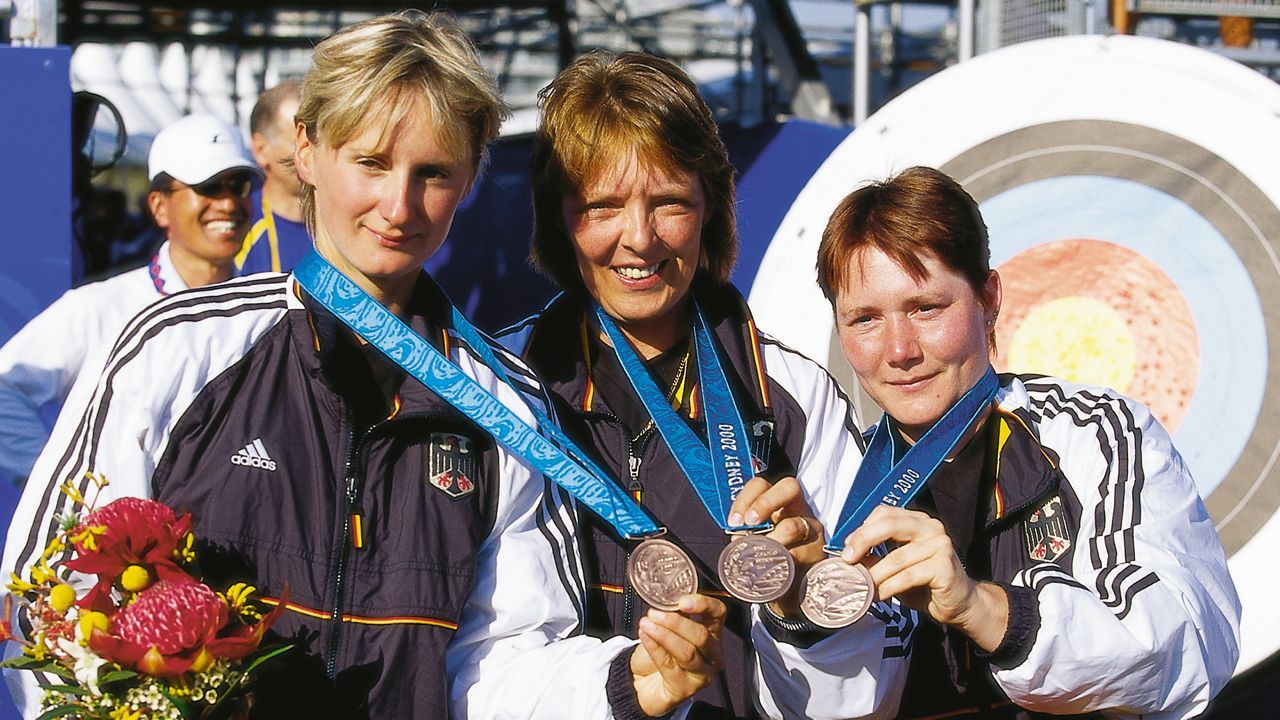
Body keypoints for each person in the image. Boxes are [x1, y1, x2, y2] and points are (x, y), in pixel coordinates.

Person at [4, 13, 725, 719]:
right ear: (308, 152)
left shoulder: (507, 404)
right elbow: (46, 594)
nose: (398, 205)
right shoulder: (176, 349)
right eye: (372, 162)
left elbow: (500, 658)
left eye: (434, 172)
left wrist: (629, 683)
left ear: (472, 177)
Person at [499, 51, 909, 719]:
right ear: (560, 218)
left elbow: (870, 696)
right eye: (603, 205)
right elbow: (477, 659)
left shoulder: (789, 396)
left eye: (669, 202)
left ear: (710, 207)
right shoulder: (504, 387)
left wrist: (805, 606)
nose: (640, 238)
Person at [816, 166, 1241, 719]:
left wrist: (985, 611)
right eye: (865, 319)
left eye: (926, 308)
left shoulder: (1098, 431)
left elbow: (1185, 647)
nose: (899, 350)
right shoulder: (836, 477)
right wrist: (795, 624)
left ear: (989, 298)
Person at [0, 113, 259, 486]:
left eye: (239, 185)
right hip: (127, 542)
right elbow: (7, 386)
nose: (229, 203)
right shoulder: (102, 307)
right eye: (208, 187)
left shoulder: (270, 313)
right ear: (159, 205)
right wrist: (61, 489)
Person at [236, 79, 313, 274]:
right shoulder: (235, 228)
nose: (312, 153)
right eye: (300, 142)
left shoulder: (347, 226)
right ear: (261, 149)